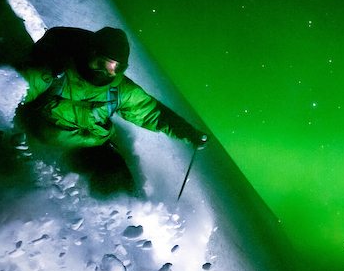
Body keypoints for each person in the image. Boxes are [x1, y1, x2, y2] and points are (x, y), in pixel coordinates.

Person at [15, 26, 207, 197]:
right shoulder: (56, 72)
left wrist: (188, 132)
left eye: (113, 67)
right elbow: (18, 88)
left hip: (90, 148)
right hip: (45, 141)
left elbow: (151, 112)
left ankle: (131, 220)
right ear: (89, 53)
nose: (104, 71)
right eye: (100, 62)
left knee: (117, 176)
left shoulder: (119, 89)